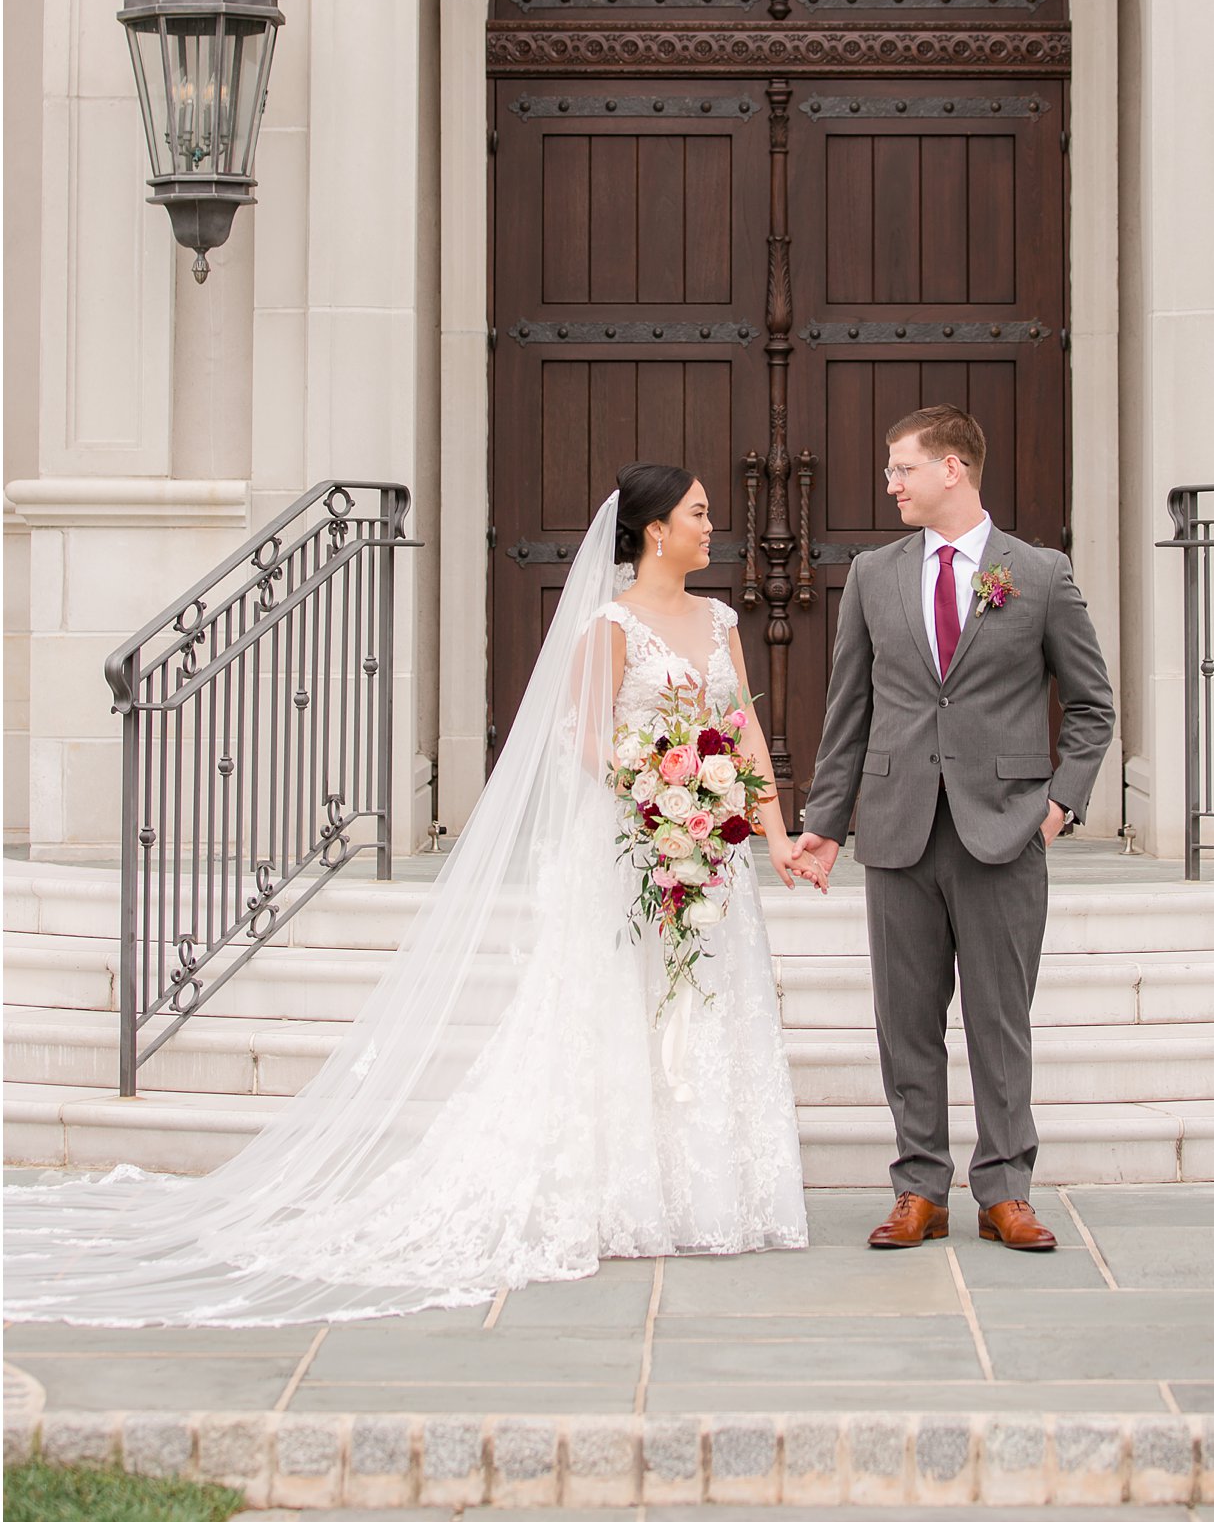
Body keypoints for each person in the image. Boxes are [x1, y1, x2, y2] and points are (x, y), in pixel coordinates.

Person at [5, 465, 820, 1326]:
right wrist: (661, 806)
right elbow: (585, 740)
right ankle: (624, 1191)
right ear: (656, 529)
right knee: (623, 1007)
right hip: (634, 847)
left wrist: (769, 836)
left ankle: (706, 1195)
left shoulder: (723, 619)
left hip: (713, 854)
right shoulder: (611, 626)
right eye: (697, 513)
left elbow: (745, 735)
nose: (710, 525)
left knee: (704, 1005)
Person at [794, 405, 1114, 1251]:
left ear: (952, 470)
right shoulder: (873, 573)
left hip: (1006, 831)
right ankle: (919, 1189)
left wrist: (1059, 804)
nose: (890, 482)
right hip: (899, 826)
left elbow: (1091, 705)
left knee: (999, 1018)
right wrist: (826, 822)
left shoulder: (1038, 574)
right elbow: (848, 709)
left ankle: (1005, 1188)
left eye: (902, 467)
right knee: (905, 1019)